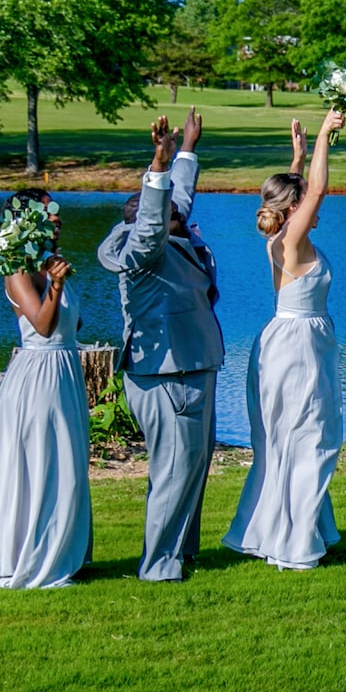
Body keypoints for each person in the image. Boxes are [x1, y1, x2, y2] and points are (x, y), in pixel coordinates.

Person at [98, 114, 225, 582]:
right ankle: (160, 566)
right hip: (170, 374)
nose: (184, 214)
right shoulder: (144, 247)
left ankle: (181, 550)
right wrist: (158, 163)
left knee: (191, 467)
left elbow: (179, 201)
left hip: (194, 366)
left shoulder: (173, 230)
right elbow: (153, 222)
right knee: (174, 471)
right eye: (174, 211)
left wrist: (188, 148)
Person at [222, 112, 346, 570]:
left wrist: (296, 154)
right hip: (297, 346)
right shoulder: (291, 238)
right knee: (309, 435)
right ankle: (293, 545)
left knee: (291, 437)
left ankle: (292, 527)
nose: (316, 208)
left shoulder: (279, 232)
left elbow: (297, 190)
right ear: (293, 209)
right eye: (305, 205)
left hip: (290, 339)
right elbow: (314, 190)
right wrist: (324, 139)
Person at [0, 189, 93, 589]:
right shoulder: (17, 271)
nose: (58, 220)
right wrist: (58, 287)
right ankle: (24, 553)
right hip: (39, 373)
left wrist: (57, 279)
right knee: (39, 457)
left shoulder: (47, 266)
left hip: (64, 369)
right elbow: (43, 327)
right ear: (28, 220)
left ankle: (61, 548)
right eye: (51, 214)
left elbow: (70, 327)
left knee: (65, 457)